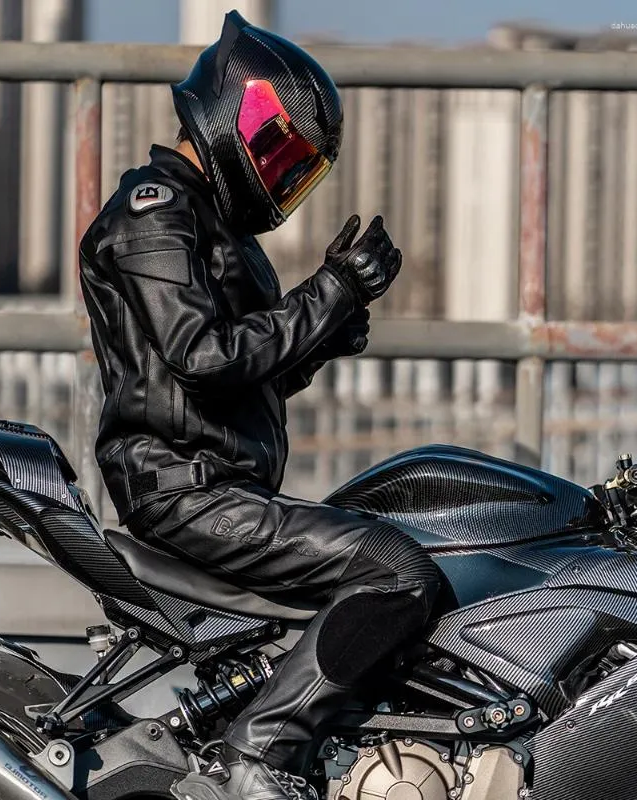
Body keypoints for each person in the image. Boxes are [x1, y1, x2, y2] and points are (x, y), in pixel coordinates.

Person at [79, 11, 440, 800]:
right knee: (396, 569)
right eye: (279, 156)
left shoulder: (204, 220)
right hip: (187, 491)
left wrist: (327, 330)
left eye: (296, 170)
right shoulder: (155, 214)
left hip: (217, 482)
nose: (281, 181)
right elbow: (203, 359)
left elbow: (245, 379)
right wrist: (331, 291)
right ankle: (264, 752)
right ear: (233, 115)